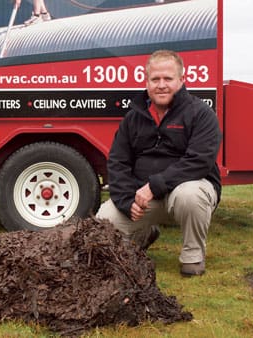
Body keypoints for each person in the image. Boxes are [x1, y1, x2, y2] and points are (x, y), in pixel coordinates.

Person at [96, 50, 222, 277]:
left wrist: (154, 186)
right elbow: (117, 162)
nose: (161, 85)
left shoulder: (201, 114)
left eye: (168, 79)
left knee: (190, 195)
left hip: (185, 193)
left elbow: (199, 162)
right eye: (155, 79)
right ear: (147, 82)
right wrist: (126, 201)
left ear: (181, 80)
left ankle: (192, 257)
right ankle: (143, 235)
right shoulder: (133, 118)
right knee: (103, 221)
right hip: (145, 199)